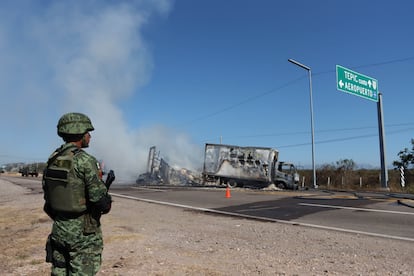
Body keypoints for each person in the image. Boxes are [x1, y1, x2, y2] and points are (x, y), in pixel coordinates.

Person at [42, 112, 113, 275]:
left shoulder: (53, 159)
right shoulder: (85, 161)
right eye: (88, 133)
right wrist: (104, 192)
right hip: (83, 234)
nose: (90, 137)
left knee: (59, 272)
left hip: (59, 228)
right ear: (80, 134)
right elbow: (102, 203)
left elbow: (48, 200)